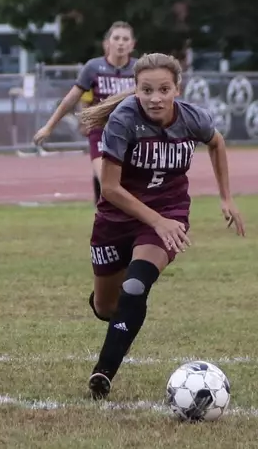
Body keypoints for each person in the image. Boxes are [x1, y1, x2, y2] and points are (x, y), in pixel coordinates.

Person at [78, 52, 245, 399]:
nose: (155, 98)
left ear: (177, 89)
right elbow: (109, 188)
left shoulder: (191, 118)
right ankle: (111, 307)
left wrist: (226, 198)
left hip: (168, 213)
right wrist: (155, 220)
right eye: (147, 90)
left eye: (164, 89)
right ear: (136, 90)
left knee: (136, 287)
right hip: (115, 218)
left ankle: (103, 373)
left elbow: (216, 142)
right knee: (106, 308)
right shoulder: (123, 120)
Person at [33, 21, 137, 204]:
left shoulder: (139, 69)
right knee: (109, 182)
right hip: (101, 132)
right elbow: (70, 99)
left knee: (130, 184)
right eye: (117, 38)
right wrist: (48, 127)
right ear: (108, 43)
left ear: (132, 44)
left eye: (125, 39)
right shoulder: (93, 68)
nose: (121, 43)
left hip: (131, 134)